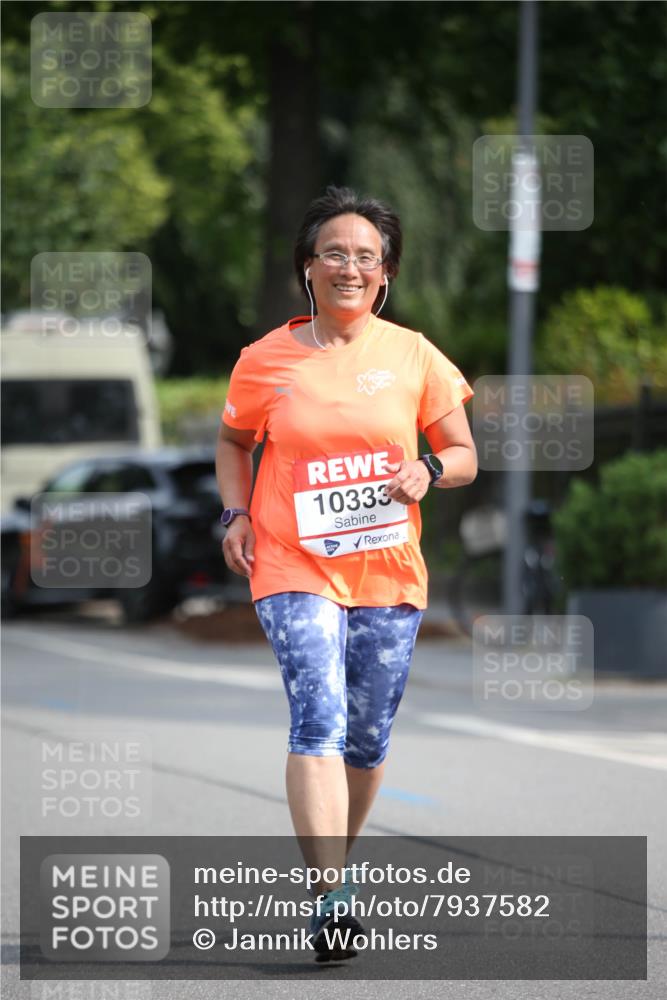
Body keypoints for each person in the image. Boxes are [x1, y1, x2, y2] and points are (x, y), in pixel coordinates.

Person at [216, 185, 477, 961]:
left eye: (366, 256)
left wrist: (428, 468)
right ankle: (329, 897)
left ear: (385, 272)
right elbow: (233, 444)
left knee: (365, 737)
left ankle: (338, 865)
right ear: (308, 267)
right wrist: (235, 516)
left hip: (387, 569)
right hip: (292, 560)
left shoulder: (412, 354)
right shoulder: (264, 361)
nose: (350, 267)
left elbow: (463, 453)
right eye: (334, 252)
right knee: (318, 716)